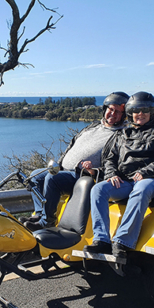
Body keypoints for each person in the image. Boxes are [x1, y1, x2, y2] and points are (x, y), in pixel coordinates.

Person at [84, 91, 154, 257]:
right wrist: (111, 174)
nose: (140, 114)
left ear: (152, 112)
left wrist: (145, 172)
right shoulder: (122, 134)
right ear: (130, 113)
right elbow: (110, 158)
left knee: (141, 189)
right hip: (125, 181)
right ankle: (101, 239)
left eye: (144, 110)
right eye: (136, 111)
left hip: (151, 179)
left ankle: (122, 241)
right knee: (98, 189)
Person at [23, 92, 129, 231]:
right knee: (34, 176)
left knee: (52, 179)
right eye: (111, 109)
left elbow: (116, 163)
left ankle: (47, 222)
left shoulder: (122, 135)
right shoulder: (94, 126)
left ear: (124, 115)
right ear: (105, 109)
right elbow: (73, 145)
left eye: (118, 112)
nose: (113, 114)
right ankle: (39, 214)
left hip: (83, 176)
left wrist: (94, 171)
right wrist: (61, 163)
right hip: (64, 170)